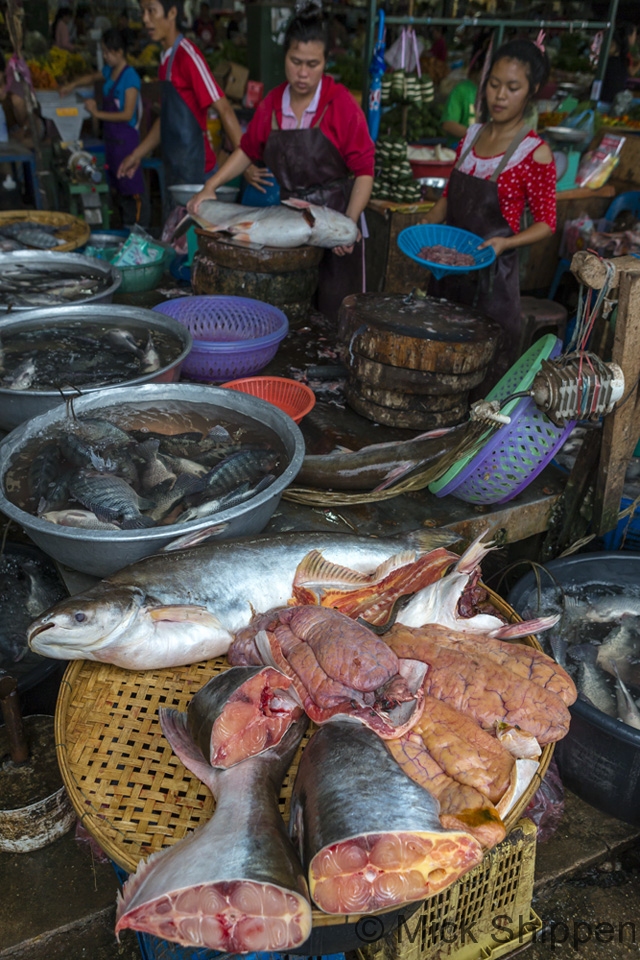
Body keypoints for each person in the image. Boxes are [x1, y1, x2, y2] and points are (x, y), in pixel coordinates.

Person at [188, 4, 374, 322]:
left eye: (313, 64)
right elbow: (247, 150)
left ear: (325, 63)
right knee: (292, 310)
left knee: (336, 313)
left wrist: (350, 224)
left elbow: (364, 171)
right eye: (295, 62)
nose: (303, 73)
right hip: (289, 222)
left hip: (336, 216)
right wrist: (210, 187)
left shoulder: (340, 103)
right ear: (284, 57)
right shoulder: (273, 104)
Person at [422, 38, 556, 383]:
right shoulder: (470, 136)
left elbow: (546, 223)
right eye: (494, 84)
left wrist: (505, 244)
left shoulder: (533, 153)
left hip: (492, 290)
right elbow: (449, 199)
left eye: (512, 87)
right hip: (446, 280)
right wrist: (422, 229)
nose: (499, 96)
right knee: (436, 373)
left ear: (532, 90)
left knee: (479, 385)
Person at [117, 0, 242, 190]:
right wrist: (136, 155)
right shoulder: (165, 60)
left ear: (172, 12)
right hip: (176, 171)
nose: (145, 19)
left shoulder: (188, 55)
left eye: (151, 11)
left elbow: (224, 109)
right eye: (143, 12)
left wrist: (245, 161)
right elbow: (167, 118)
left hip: (200, 174)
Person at [60, 30, 149, 227]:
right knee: (117, 188)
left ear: (119, 52)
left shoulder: (130, 77)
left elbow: (127, 114)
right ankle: (123, 229)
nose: (105, 56)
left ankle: (138, 231)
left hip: (127, 143)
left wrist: (97, 113)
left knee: (131, 191)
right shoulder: (110, 71)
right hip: (111, 143)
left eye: (108, 52)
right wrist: (71, 85)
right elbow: (92, 77)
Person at [441, 51, 485, 142]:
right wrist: (479, 138)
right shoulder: (461, 90)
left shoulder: (494, 92)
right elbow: (448, 124)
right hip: (458, 147)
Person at [601, 23, 637, 105]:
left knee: (571, 102)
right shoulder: (622, 61)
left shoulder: (609, 63)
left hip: (604, 104)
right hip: (613, 104)